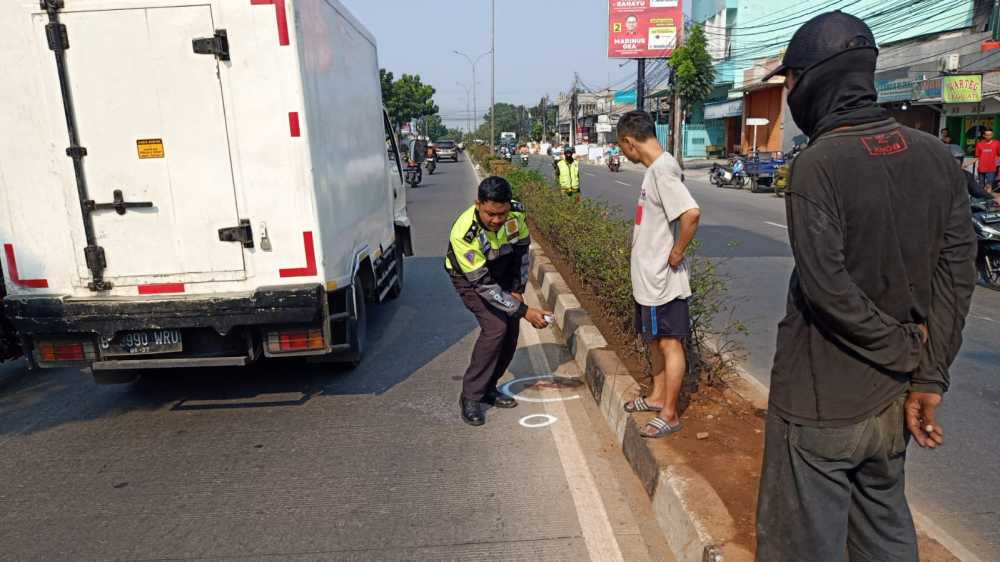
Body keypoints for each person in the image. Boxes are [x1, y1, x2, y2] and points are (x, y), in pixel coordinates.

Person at [755, 12, 977, 562]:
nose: (788, 93)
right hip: (893, 407)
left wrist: (907, 350)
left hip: (819, 405)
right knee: (884, 535)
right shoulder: (936, 157)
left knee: (802, 547)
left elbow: (827, 288)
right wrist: (927, 373)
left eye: (790, 81)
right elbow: (958, 274)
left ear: (815, 79)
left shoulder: (817, 165)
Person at [616, 110, 701, 438]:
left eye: (622, 148)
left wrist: (677, 252)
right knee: (654, 340)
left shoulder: (663, 170)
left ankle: (670, 412)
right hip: (649, 280)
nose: (624, 154)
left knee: (669, 343)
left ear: (629, 141)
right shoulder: (655, 170)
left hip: (662, 281)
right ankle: (655, 397)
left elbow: (691, 214)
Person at [446, 176, 551, 426]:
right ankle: (471, 397)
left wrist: (517, 288)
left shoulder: (515, 215)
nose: (496, 220)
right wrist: (524, 310)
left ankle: (489, 387)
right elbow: (482, 284)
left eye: (501, 214)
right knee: (496, 327)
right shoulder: (464, 233)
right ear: (478, 204)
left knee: (511, 327)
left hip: (501, 267)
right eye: (490, 214)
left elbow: (521, 253)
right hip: (470, 277)